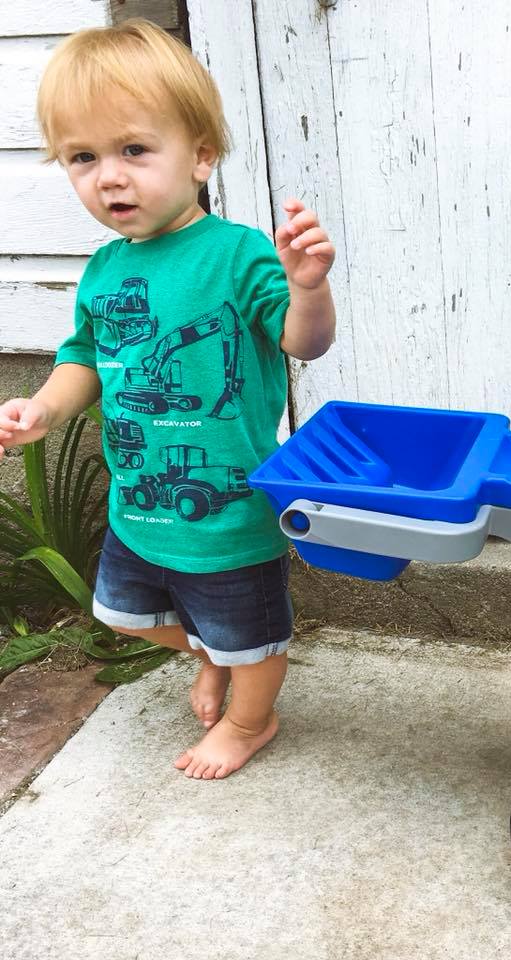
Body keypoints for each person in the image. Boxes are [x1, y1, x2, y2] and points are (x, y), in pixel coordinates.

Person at [0, 19, 336, 779]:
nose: (108, 177)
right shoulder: (104, 270)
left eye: (133, 150)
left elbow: (300, 341)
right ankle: (210, 653)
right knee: (120, 612)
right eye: (83, 158)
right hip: (136, 508)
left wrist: (308, 289)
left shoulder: (237, 251)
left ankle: (251, 720)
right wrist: (44, 410)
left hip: (228, 518)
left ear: (201, 157)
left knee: (256, 644)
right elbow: (86, 356)